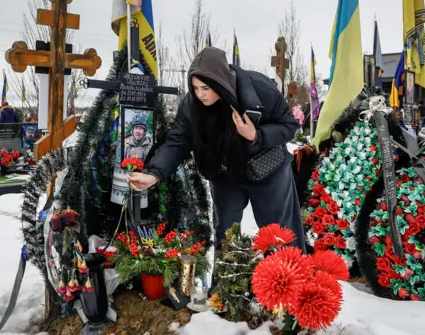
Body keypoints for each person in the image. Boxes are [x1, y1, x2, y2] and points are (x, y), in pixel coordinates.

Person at [127, 47, 304, 249]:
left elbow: (289, 125)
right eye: (195, 88)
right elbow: (177, 140)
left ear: (220, 82)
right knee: (225, 237)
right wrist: (154, 174)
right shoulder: (191, 104)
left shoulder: (259, 89)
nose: (200, 94)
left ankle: (287, 278)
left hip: (267, 170)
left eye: (205, 88)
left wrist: (256, 135)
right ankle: (224, 279)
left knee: (280, 237)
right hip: (225, 174)